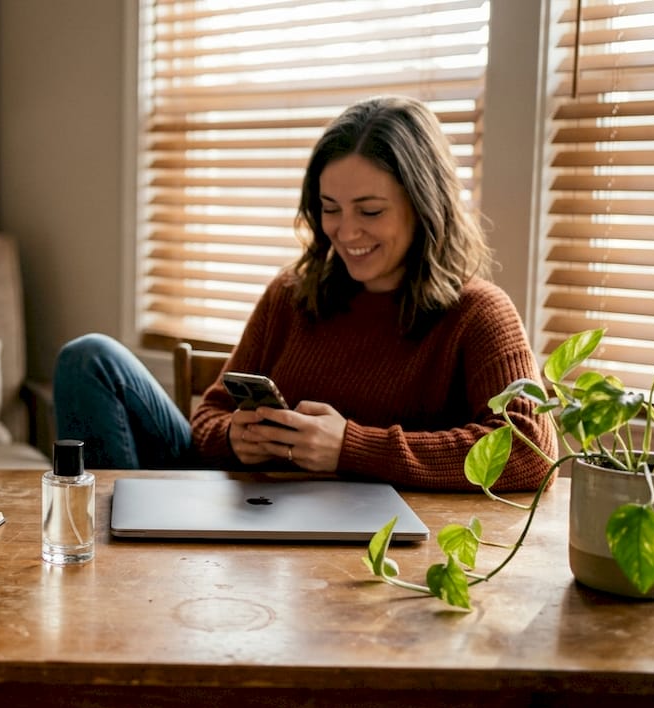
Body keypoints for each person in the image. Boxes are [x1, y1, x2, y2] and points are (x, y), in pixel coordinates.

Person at [54, 95, 555, 491]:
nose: (345, 231)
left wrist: (351, 447)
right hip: (255, 516)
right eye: (330, 207)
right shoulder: (292, 294)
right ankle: (108, 555)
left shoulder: (479, 314)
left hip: (375, 543)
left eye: (371, 210)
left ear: (425, 206)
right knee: (89, 359)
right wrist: (236, 436)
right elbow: (207, 418)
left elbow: (532, 451)